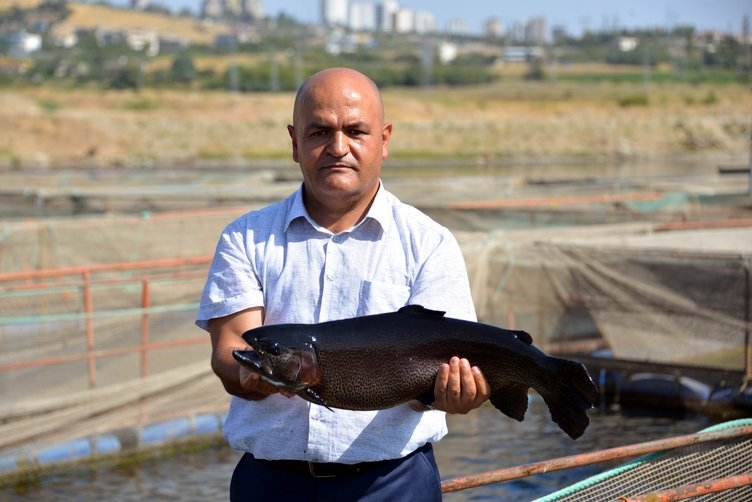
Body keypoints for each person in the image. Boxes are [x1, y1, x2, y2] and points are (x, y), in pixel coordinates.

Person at [196, 67, 490, 501]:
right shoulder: (245, 237)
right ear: (294, 142)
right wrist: (251, 373)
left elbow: (439, 372)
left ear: (384, 140)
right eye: (319, 132)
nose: (338, 147)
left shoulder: (428, 243)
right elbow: (231, 348)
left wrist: (453, 393)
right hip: (271, 485)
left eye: (356, 131)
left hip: (394, 485)